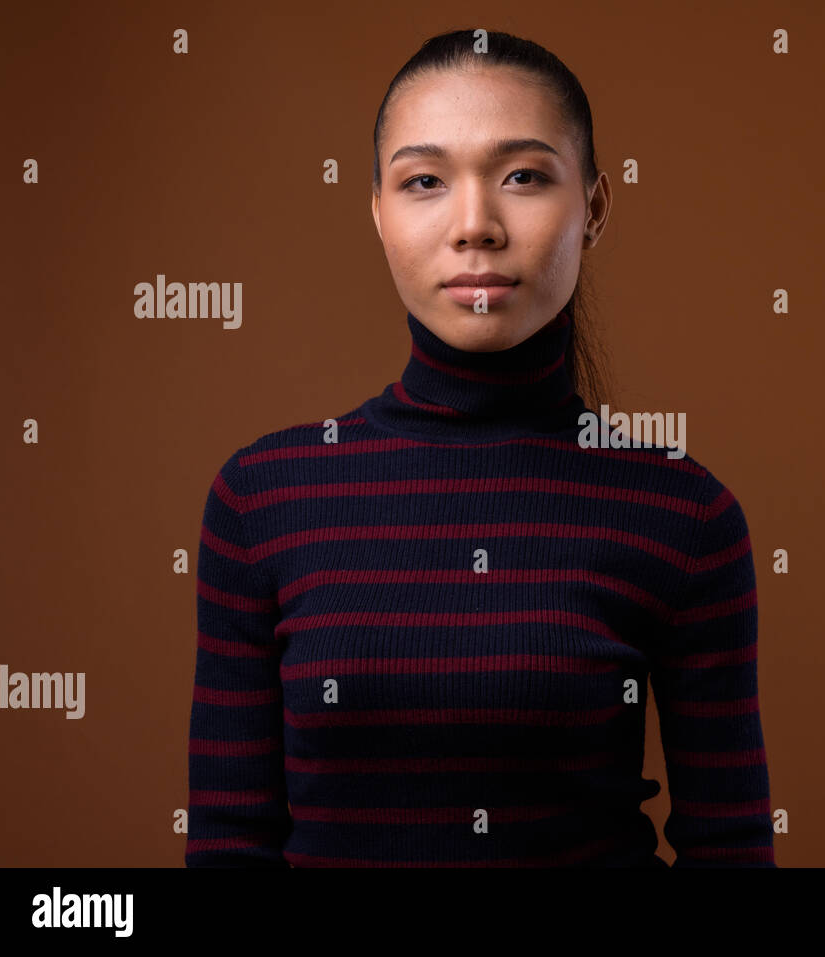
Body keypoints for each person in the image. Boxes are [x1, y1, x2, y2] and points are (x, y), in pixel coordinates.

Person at [185, 28, 774, 867]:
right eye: (424, 181)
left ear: (595, 208)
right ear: (379, 213)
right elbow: (229, 847)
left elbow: (732, 848)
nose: (475, 226)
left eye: (523, 177)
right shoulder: (261, 499)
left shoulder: (685, 516)